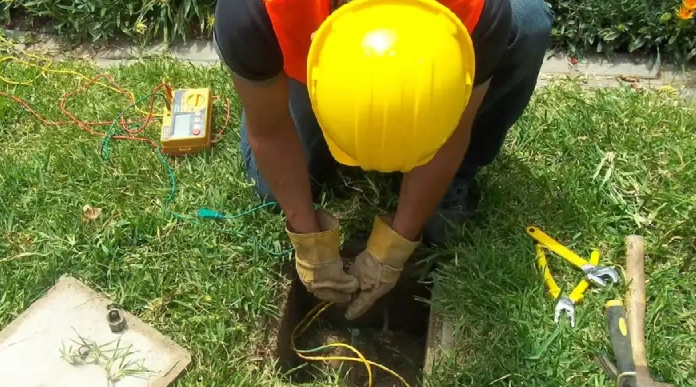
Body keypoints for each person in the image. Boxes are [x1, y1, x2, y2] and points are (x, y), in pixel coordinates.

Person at [212, 0, 553, 320]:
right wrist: (308, 241)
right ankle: (303, 103)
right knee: (272, 190)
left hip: (447, 51)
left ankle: (454, 179)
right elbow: (270, 132)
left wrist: (396, 245)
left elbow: (452, 131)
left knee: (527, 21)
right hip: (301, 63)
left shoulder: (474, 12)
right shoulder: (253, 11)